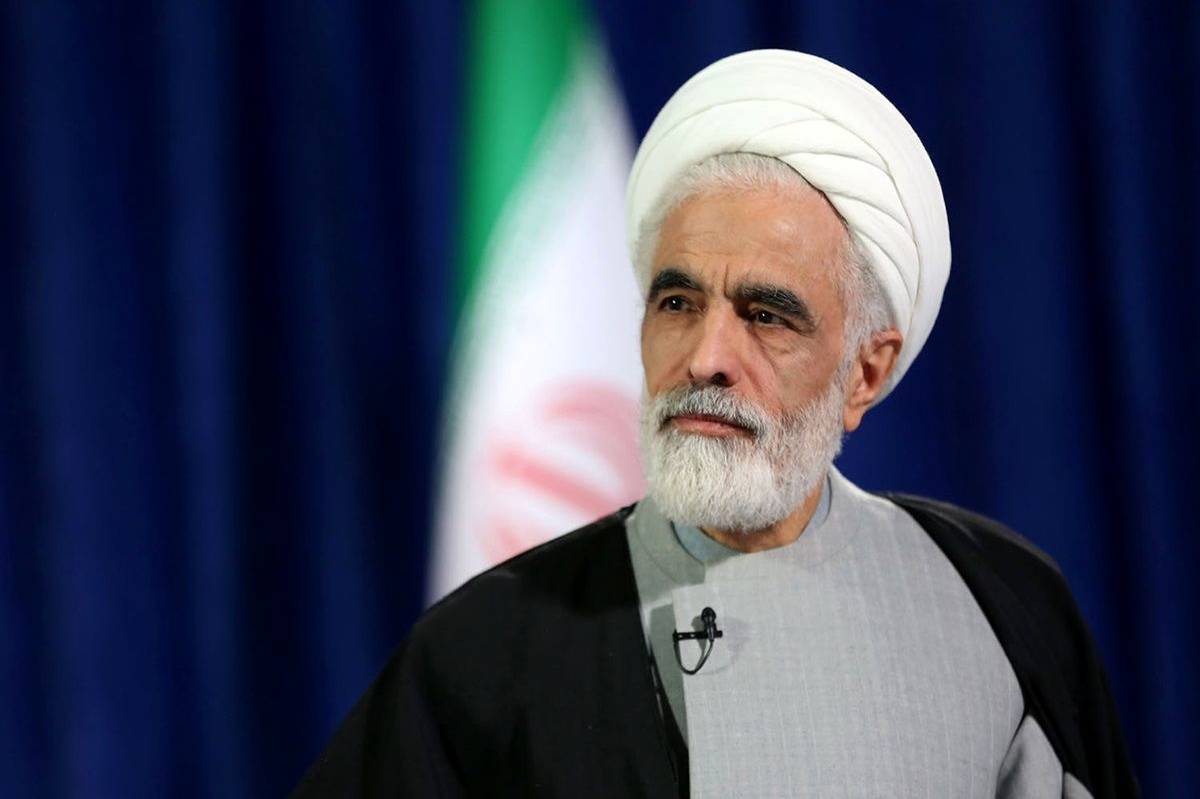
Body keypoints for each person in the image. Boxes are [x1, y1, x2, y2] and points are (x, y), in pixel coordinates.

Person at [292, 50, 1137, 798]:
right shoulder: (491, 643)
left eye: (766, 315)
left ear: (866, 372)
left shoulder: (999, 606)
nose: (706, 358)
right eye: (677, 302)